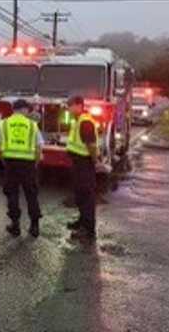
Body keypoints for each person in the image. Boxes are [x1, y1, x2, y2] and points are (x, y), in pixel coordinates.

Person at [0, 99, 44, 238]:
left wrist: (4, 160)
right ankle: (34, 227)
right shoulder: (32, 125)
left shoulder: (3, 124)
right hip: (28, 164)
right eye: (27, 110)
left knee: (12, 194)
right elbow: (39, 146)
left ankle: (15, 225)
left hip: (10, 163)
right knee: (31, 194)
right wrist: (35, 163)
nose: (28, 112)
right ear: (23, 110)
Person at [66, 95, 99, 243]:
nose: (68, 109)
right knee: (80, 193)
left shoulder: (85, 122)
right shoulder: (78, 120)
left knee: (86, 196)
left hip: (85, 163)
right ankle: (82, 221)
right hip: (78, 162)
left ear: (79, 105)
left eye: (70, 106)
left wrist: (95, 161)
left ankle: (88, 229)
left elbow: (91, 145)